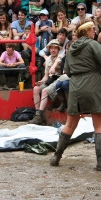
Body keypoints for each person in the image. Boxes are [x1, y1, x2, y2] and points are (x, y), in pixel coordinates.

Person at [49, 21, 101, 171]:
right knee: (98, 125)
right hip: (93, 84)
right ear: (88, 31)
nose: (94, 32)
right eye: (93, 30)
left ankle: (56, 156)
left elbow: (68, 71)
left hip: (75, 87)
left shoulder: (71, 48)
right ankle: (100, 163)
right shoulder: (93, 45)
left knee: (70, 124)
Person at [28, 39, 62, 125]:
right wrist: (41, 81)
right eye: (52, 48)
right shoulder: (47, 60)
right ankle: (37, 115)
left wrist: (53, 68)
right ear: (49, 49)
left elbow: (57, 65)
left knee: (44, 91)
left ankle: (39, 115)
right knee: (36, 88)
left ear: (58, 49)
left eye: (55, 48)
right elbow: (46, 76)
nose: (53, 50)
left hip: (59, 79)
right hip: (50, 80)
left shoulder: (61, 57)